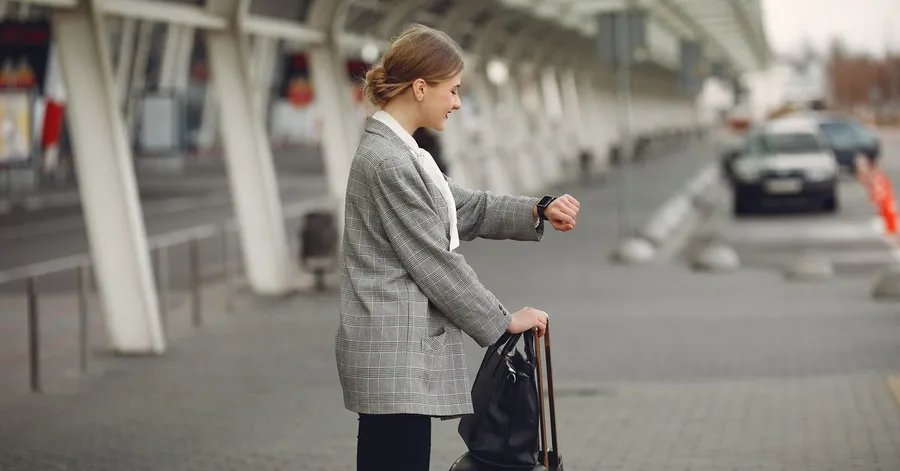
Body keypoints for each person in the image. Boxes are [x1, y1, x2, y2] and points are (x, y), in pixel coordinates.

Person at [334, 24, 582, 471]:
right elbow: (433, 262)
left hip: (397, 357)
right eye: (452, 90)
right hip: (394, 357)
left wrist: (538, 210)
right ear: (420, 87)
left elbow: (464, 207)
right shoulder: (390, 162)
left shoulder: (406, 153)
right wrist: (503, 321)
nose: (457, 102)